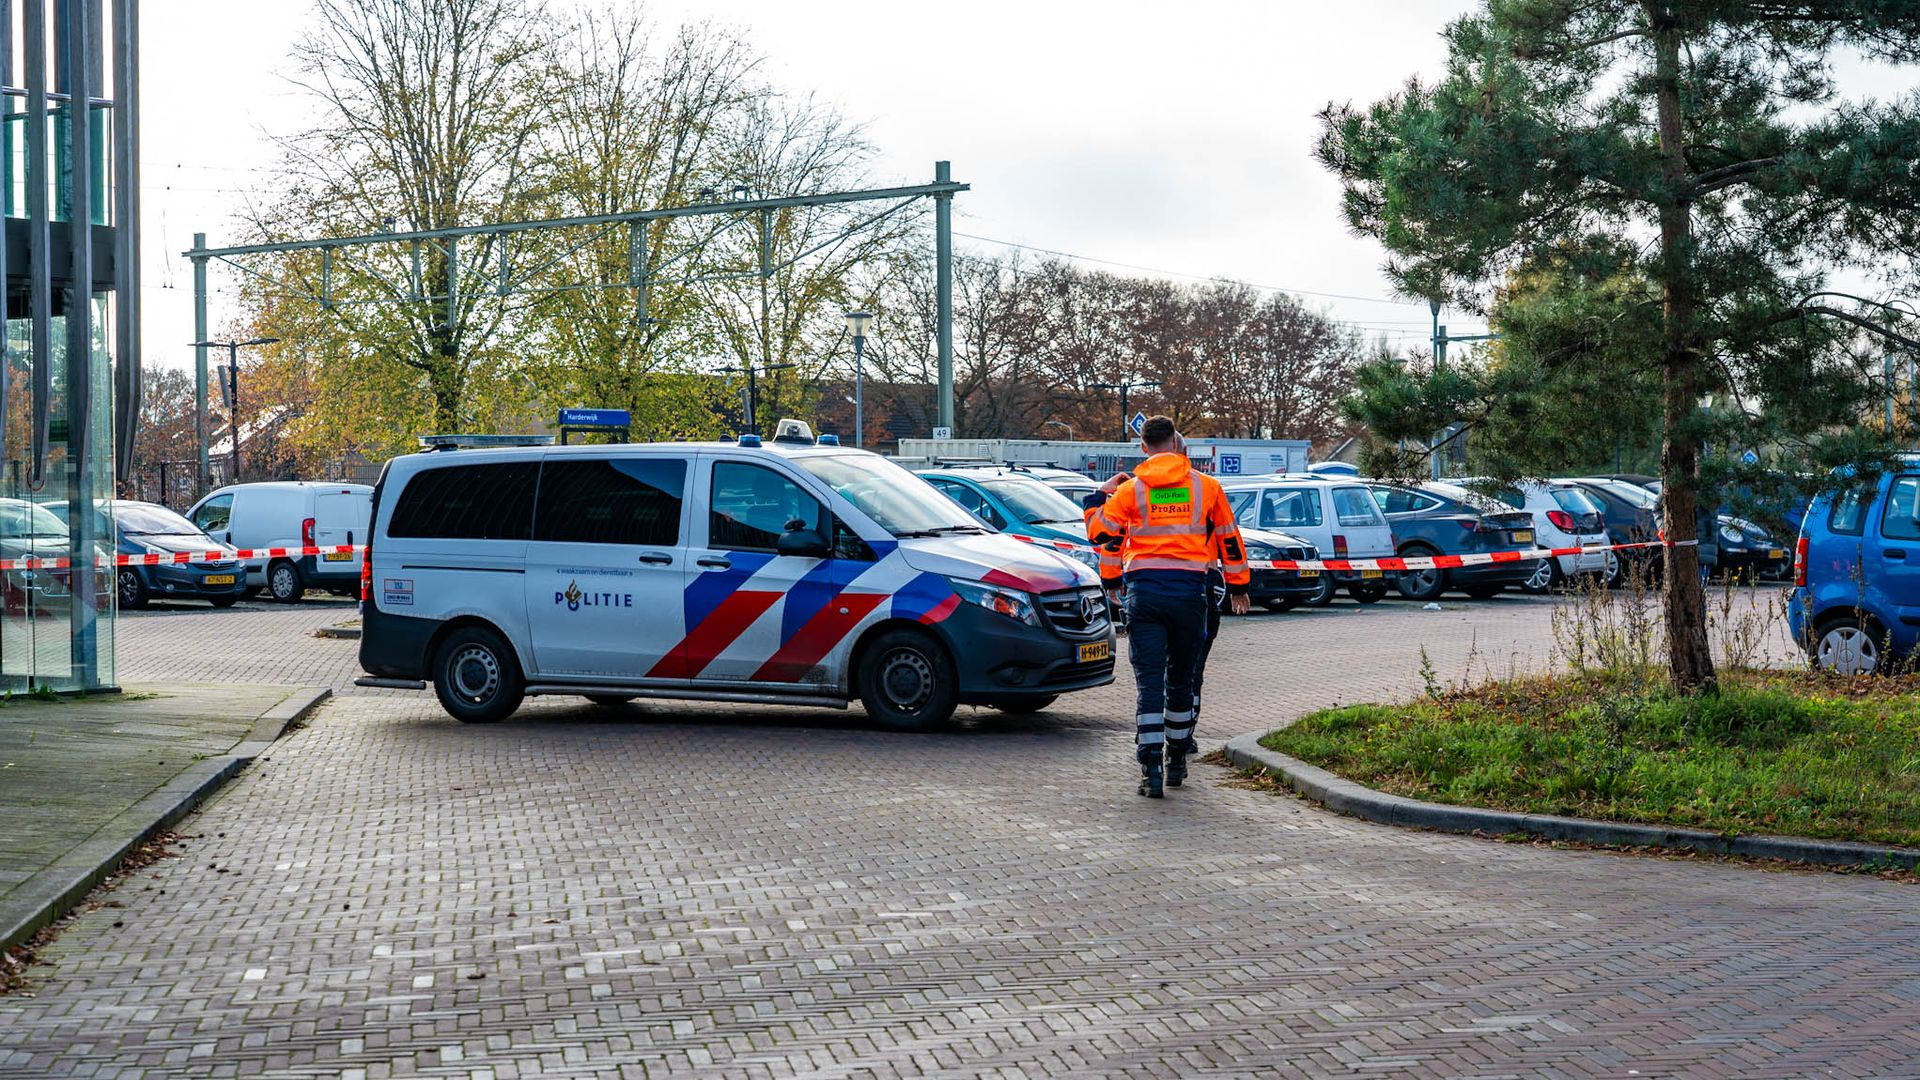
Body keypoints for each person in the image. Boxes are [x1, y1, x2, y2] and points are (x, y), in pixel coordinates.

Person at [1084, 416, 1250, 798]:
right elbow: (1229, 539)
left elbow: (1101, 535)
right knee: (1181, 677)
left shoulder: (1133, 492)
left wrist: (1098, 495)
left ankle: (1150, 771)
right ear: (1176, 443)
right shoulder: (1207, 487)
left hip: (1145, 594)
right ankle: (1177, 760)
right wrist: (1239, 586)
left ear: (1143, 448)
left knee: (1149, 683)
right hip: (1190, 594)